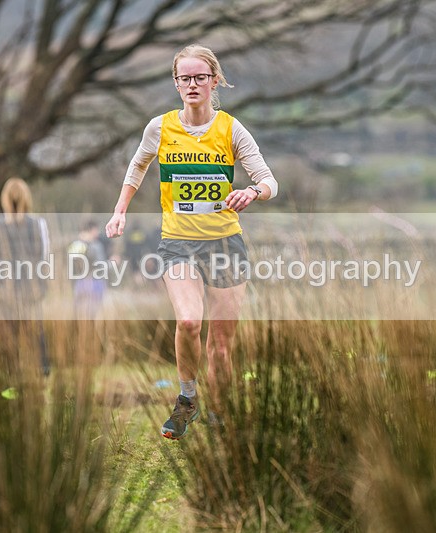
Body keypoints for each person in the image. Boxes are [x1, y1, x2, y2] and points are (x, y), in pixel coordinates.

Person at [105, 44, 279, 439]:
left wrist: (252, 192)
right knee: (188, 321)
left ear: (214, 81)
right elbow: (138, 165)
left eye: (200, 77)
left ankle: (219, 411)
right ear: (176, 83)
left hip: (225, 244)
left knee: (221, 344)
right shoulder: (160, 127)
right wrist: (120, 210)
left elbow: (269, 180)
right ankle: (187, 399)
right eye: (185, 78)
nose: (192, 84)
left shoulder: (231, 129)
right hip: (178, 243)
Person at [0, 177, 50, 377]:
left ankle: (10, 375)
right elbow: (45, 256)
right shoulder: (39, 224)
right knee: (36, 331)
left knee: (8, 335)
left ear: (5, 199)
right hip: (33, 289)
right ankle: (42, 373)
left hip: (5, 291)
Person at [68, 220, 108, 319]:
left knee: (80, 311)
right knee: (91, 312)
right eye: (96, 230)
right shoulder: (94, 245)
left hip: (80, 282)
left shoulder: (76, 244)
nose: (98, 232)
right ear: (92, 230)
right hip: (93, 281)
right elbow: (100, 265)